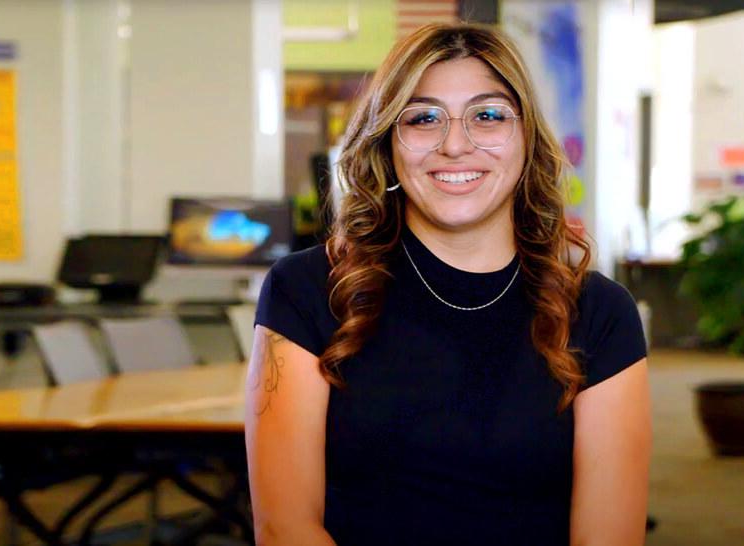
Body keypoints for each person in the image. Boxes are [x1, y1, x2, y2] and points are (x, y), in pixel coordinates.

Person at [245, 23, 650, 546]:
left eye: (487, 115)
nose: (455, 145)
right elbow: (285, 530)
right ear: (388, 142)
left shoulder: (598, 311)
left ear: (527, 138)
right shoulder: (307, 289)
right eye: (423, 118)